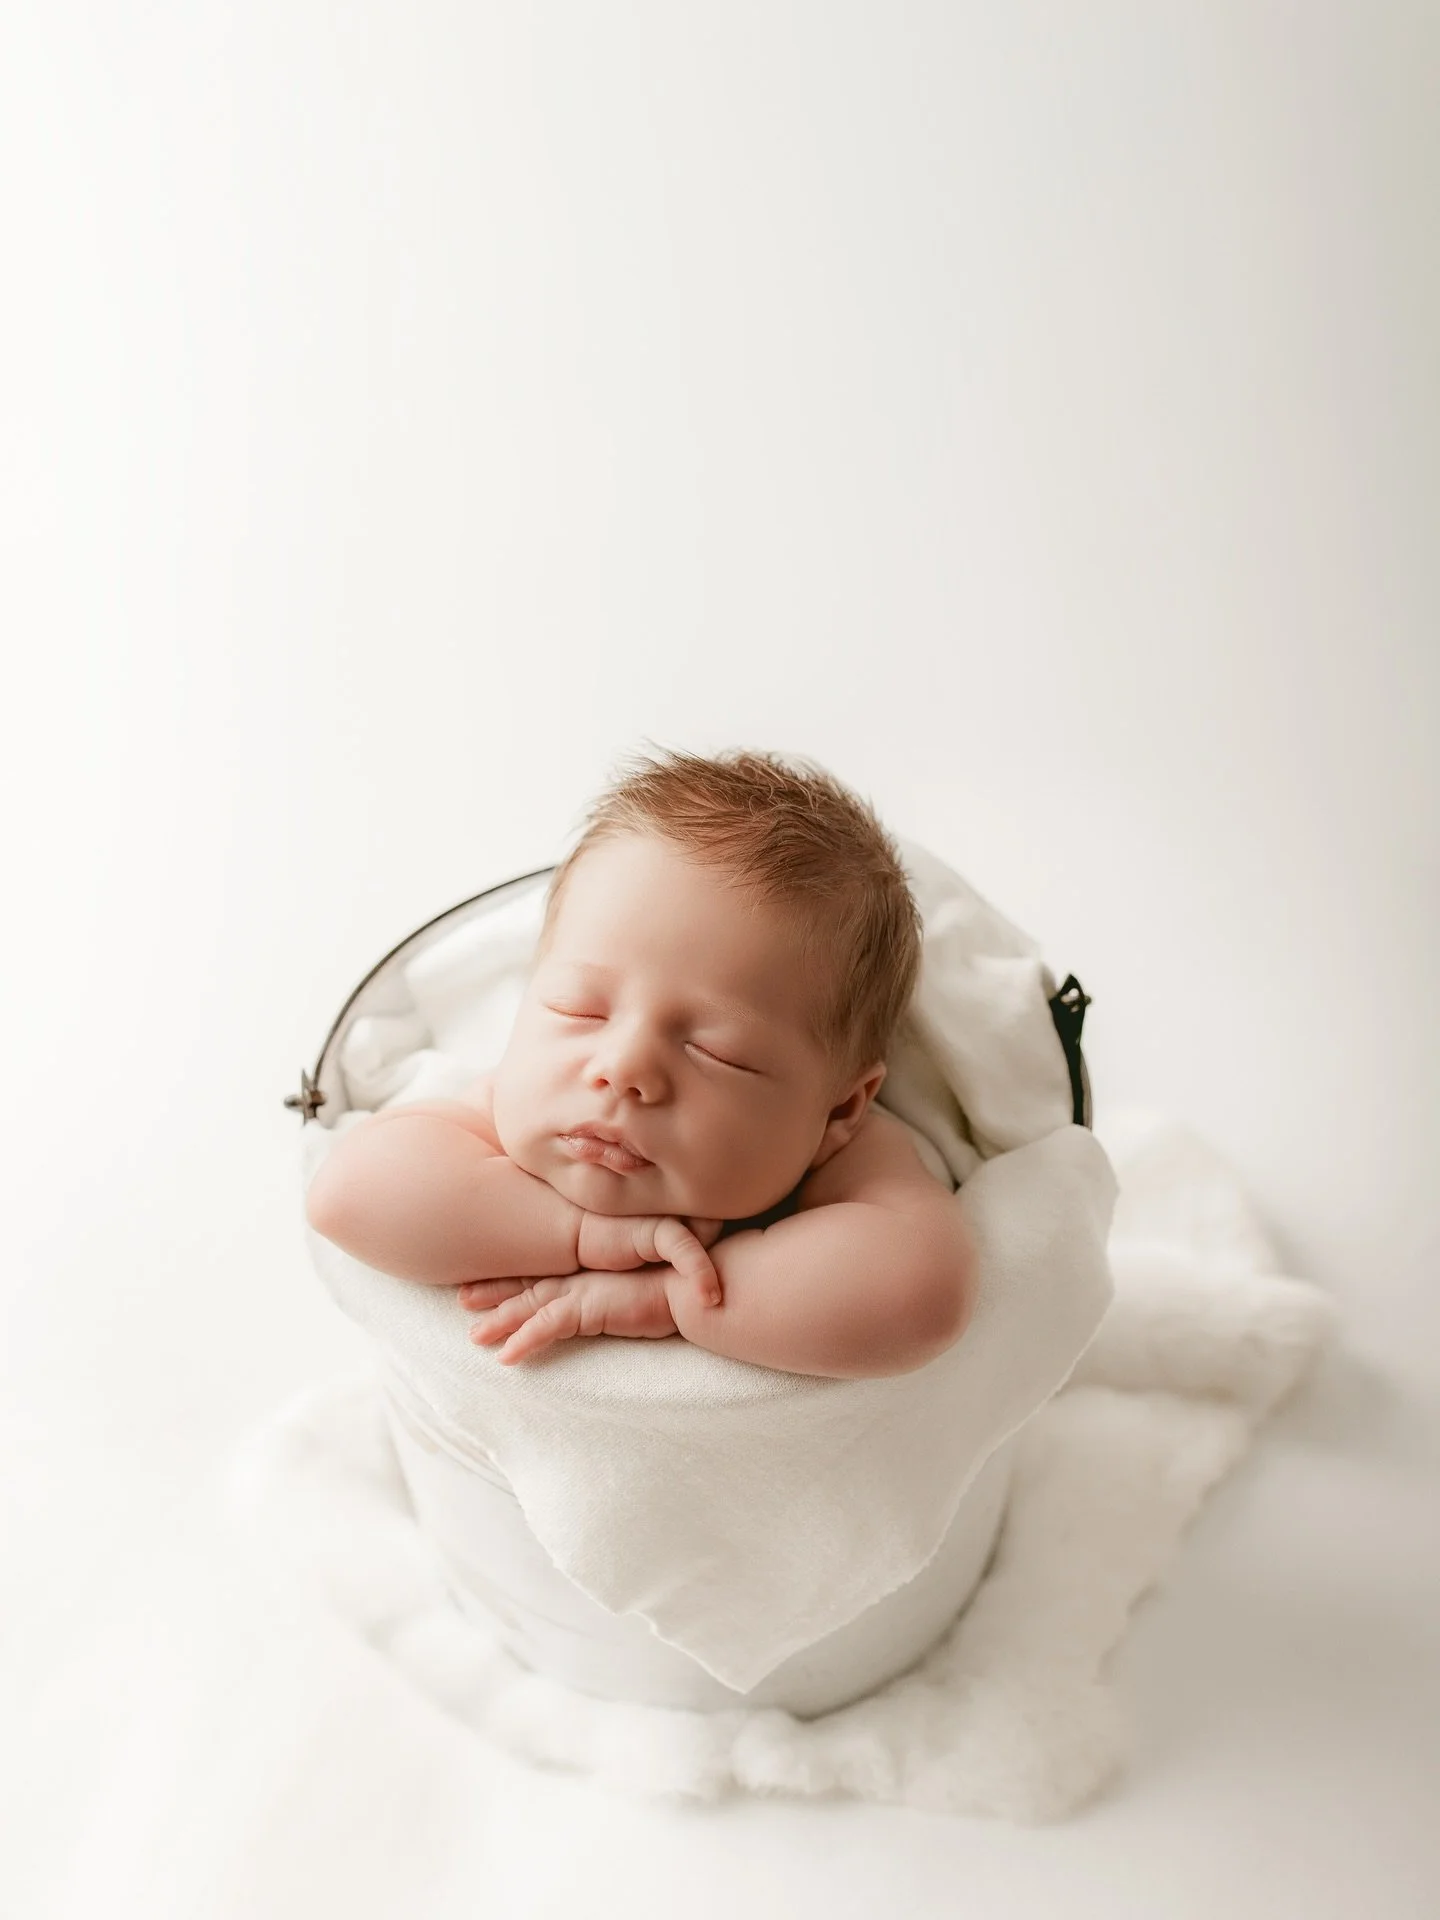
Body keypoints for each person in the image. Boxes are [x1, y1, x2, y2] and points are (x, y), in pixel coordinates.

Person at [305, 748, 977, 1379]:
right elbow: (346, 1195)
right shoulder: (509, 1106)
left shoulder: (843, 1155)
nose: (621, 1068)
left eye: (718, 1052)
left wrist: (668, 1298)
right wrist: (581, 1237)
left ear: (839, 1110)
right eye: (580, 1010)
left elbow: (922, 1295)